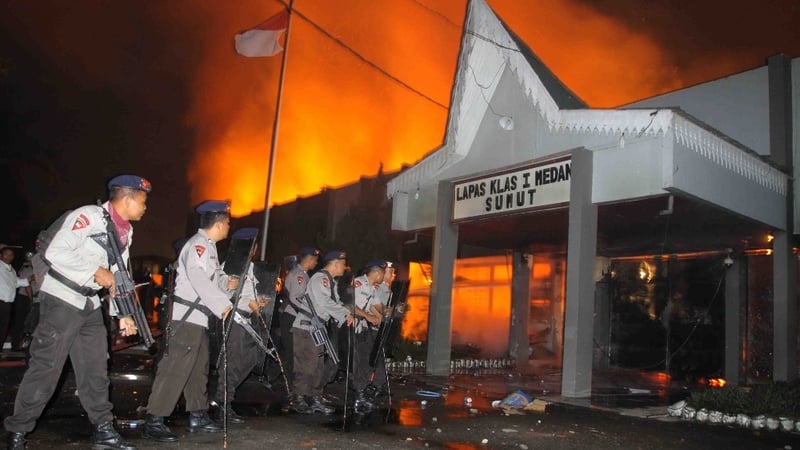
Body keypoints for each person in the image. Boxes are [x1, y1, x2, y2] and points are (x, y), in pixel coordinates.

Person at [4, 174, 151, 450]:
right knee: (46, 369)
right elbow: (56, 252)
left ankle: (104, 431)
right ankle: (17, 432)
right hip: (62, 298)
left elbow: (117, 273)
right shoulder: (89, 216)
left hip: (90, 305)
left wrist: (125, 313)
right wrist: (95, 271)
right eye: (142, 201)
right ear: (128, 199)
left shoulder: (125, 232)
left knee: (95, 370)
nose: (145, 207)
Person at [141, 200, 236, 443]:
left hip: (199, 318)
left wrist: (226, 284)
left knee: (198, 368)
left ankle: (197, 414)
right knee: (175, 369)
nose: (228, 226)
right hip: (187, 318)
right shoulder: (198, 246)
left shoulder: (209, 247)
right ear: (217, 223)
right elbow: (197, 277)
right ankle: (154, 419)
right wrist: (221, 303)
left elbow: (212, 278)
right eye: (227, 222)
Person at [210, 227, 270, 424]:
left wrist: (258, 301)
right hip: (234, 318)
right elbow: (225, 293)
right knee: (232, 361)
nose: (254, 249)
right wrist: (248, 303)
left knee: (252, 358)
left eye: (255, 245)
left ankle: (226, 394)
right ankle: (222, 403)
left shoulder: (251, 267)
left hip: (248, 319)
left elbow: (249, 293)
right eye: (251, 245)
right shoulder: (232, 265)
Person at [290, 250, 354, 415]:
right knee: (307, 365)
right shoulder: (321, 278)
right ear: (334, 264)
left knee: (317, 366)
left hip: (317, 328)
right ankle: (299, 398)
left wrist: (347, 310)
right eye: (343, 264)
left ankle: (313, 397)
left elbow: (335, 302)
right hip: (306, 327)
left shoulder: (330, 281)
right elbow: (324, 302)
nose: (345, 267)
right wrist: (344, 314)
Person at [280, 246, 319, 409]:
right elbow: (296, 299)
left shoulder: (304, 275)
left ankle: (294, 391)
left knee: (296, 355)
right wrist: (308, 314)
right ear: (309, 259)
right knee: (294, 356)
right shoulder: (298, 276)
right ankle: (293, 393)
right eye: (315, 259)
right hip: (293, 318)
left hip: (297, 318)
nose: (316, 262)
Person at [350, 260, 386, 411]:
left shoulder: (372, 287)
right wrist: (368, 317)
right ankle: (359, 395)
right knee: (357, 362)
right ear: (377, 273)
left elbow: (373, 305)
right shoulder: (358, 283)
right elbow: (351, 304)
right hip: (351, 326)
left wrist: (380, 317)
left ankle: (361, 393)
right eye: (383, 273)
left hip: (362, 328)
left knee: (365, 361)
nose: (383, 276)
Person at [10, 252, 35, 351]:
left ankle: (23, 345)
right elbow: (26, 285)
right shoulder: (27, 269)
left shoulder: (35, 269)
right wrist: (31, 300)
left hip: (33, 298)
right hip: (24, 298)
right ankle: (15, 345)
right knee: (21, 322)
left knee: (28, 323)